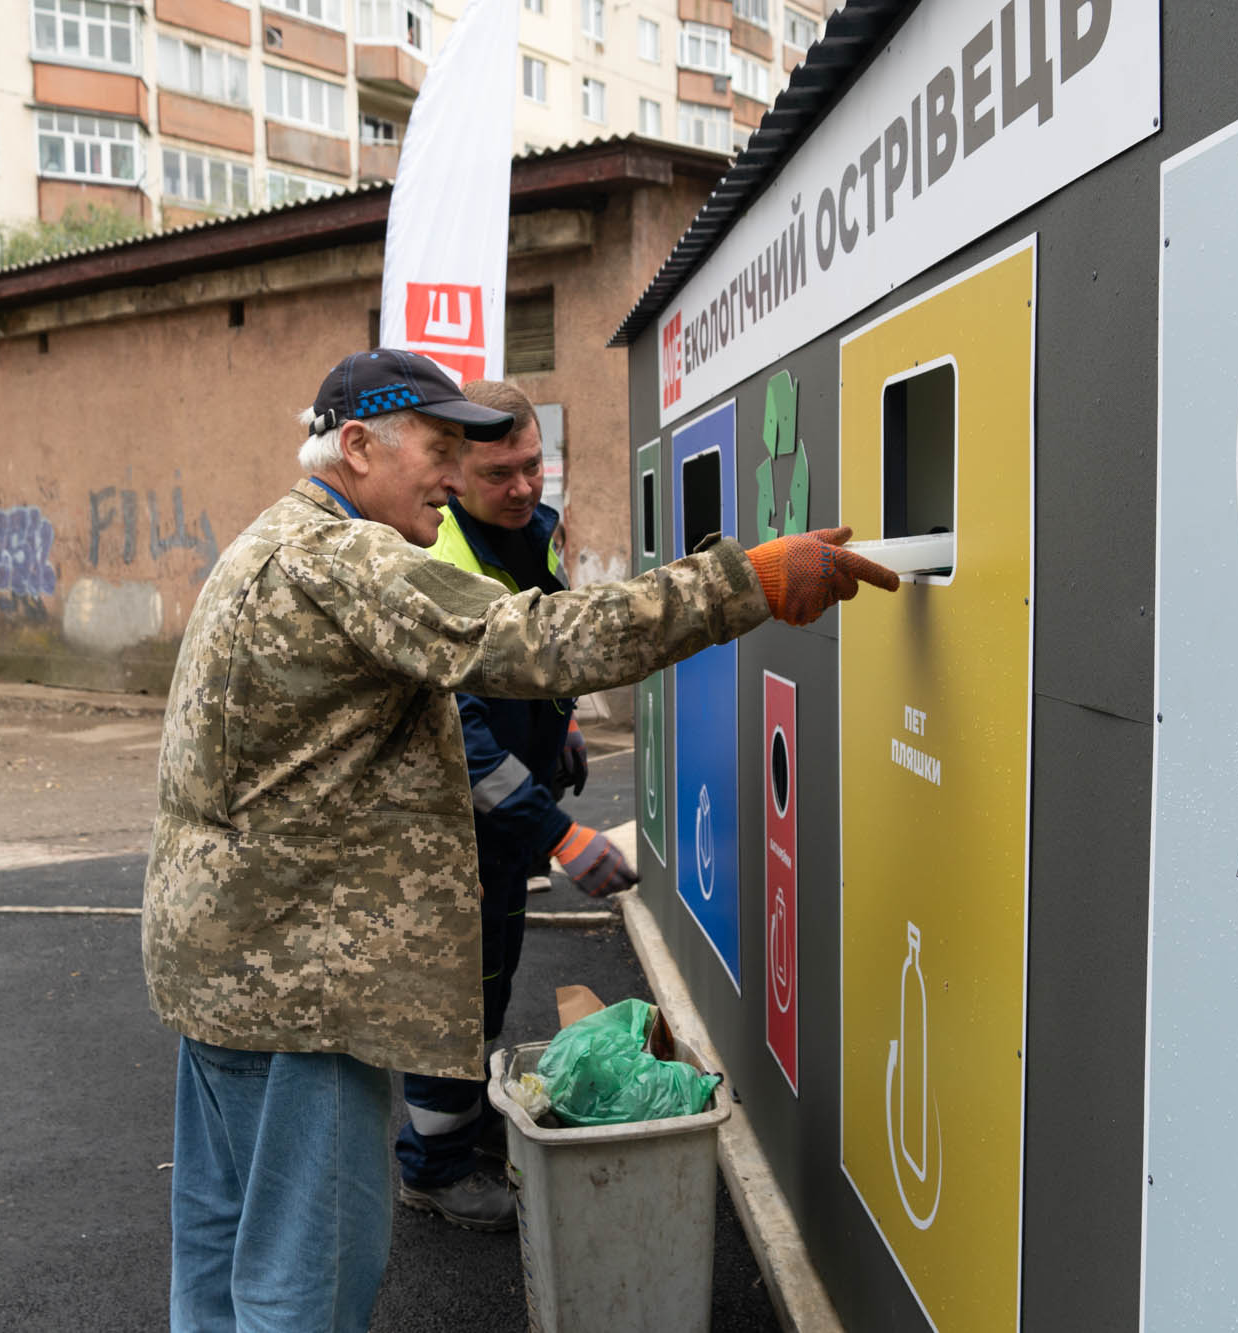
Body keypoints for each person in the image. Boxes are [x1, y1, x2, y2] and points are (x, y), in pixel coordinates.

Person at [142, 348, 899, 1331]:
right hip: (300, 986)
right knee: (308, 1269)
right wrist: (740, 582)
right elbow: (531, 644)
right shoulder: (345, 557)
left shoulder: (272, 541)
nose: (457, 477)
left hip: (222, 965)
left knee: (224, 1238)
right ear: (359, 446)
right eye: (440, 448)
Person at [394, 379, 627, 1230]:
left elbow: (543, 647)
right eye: (503, 474)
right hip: (456, 830)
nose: (526, 486)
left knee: (490, 985)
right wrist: (561, 834)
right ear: (456, 475)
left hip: (501, 833)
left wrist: (558, 728)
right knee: (454, 997)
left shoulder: (531, 530)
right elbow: (468, 745)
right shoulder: (443, 555)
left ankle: (465, 1127)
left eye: (535, 464)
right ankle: (434, 1166)